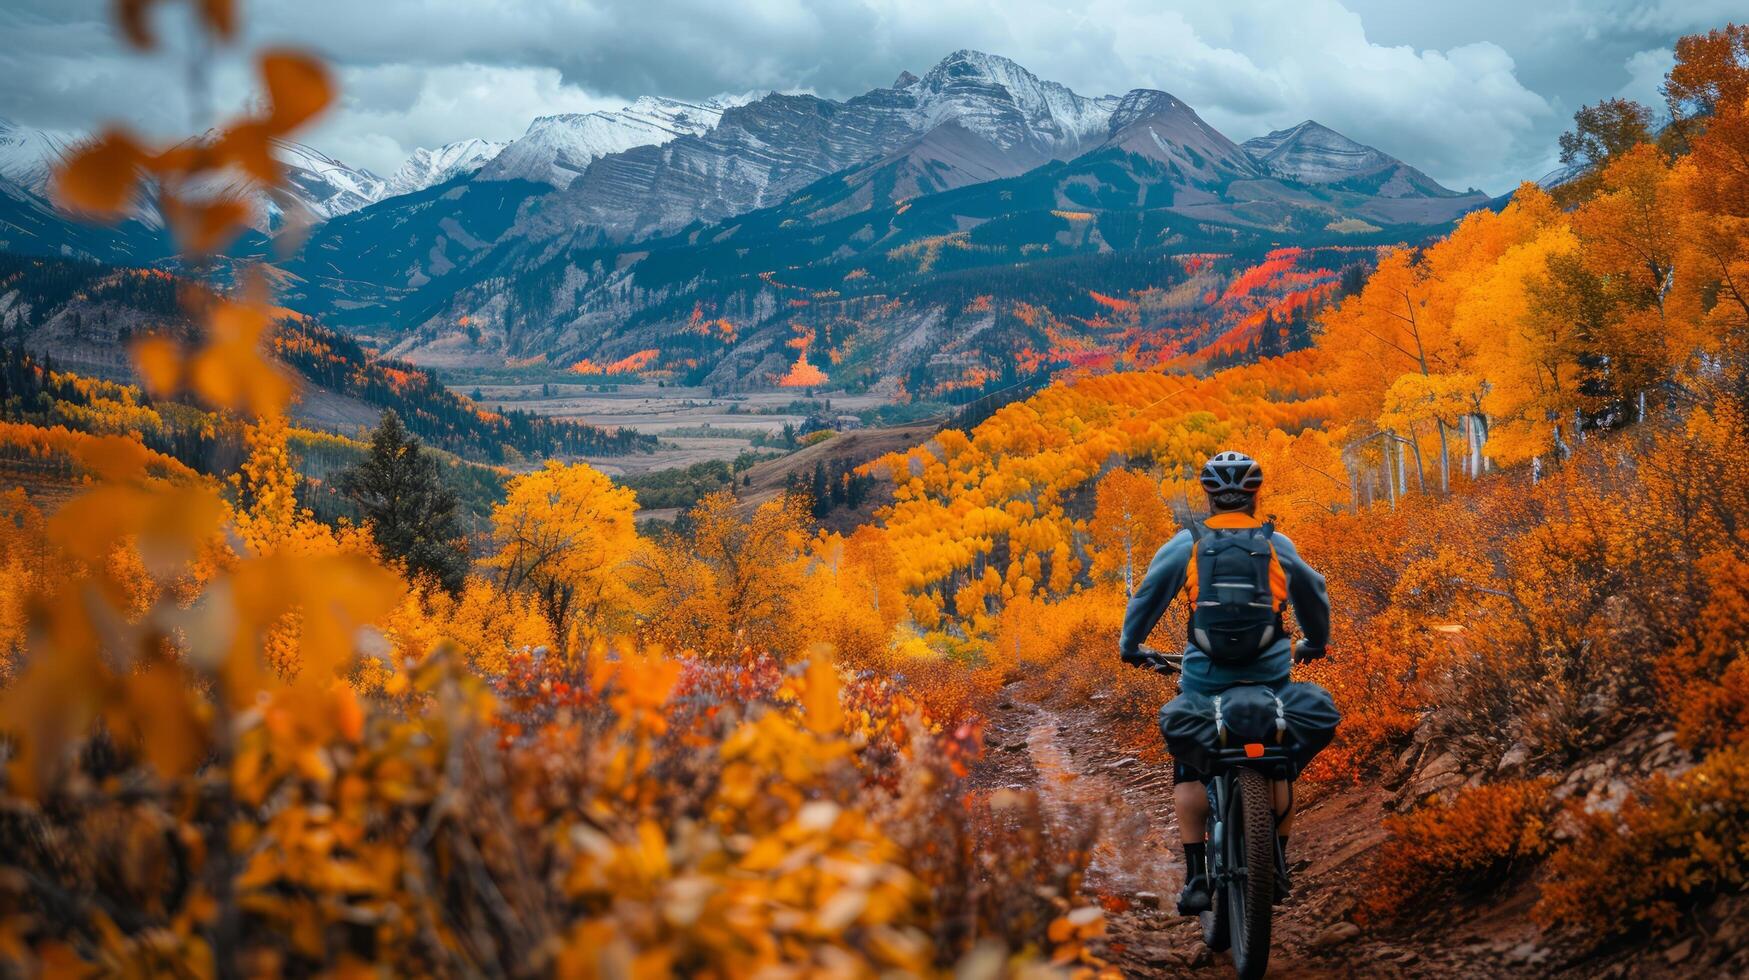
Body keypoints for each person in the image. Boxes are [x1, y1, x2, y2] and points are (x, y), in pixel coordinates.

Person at [1117, 450, 1331, 915]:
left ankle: (1197, 876)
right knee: (1279, 761)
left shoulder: (1186, 543)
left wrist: (1131, 646)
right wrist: (1315, 642)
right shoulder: (1277, 543)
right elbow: (1314, 592)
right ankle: (1276, 864)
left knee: (1190, 767)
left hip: (1203, 678)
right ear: (1256, 494)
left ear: (1208, 495)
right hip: (1271, 675)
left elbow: (1147, 596)